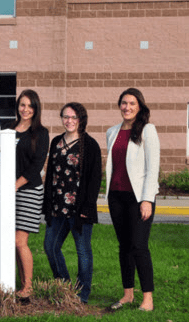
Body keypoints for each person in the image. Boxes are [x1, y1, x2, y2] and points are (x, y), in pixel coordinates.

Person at [106, 88, 159, 312]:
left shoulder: (148, 130)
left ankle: (148, 299)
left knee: (139, 246)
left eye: (132, 104)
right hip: (116, 197)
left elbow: (152, 168)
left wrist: (147, 199)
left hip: (139, 199)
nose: (127, 107)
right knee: (124, 247)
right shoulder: (112, 132)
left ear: (139, 107)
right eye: (124, 103)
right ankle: (128, 294)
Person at [43, 102, 102, 304]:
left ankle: (82, 295)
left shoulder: (90, 145)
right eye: (65, 117)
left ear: (81, 120)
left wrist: (87, 207)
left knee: (83, 251)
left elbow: (95, 179)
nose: (69, 121)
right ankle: (65, 287)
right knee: (50, 246)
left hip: (79, 209)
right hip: (57, 207)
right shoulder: (56, 142)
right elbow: (50, 174)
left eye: (73, 117)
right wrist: (47, 205)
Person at [9, 89, 49, 300]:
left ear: (36, 109)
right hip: (10, 190)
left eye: (30, 106)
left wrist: (16, 184)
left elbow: (37, 165)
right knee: (12, 241)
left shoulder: (41, 133)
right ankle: (21, 284)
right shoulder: (8, 129)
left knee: (19, 241)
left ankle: (29, 287)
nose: (25, 109)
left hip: (29, 190)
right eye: (22, 105)